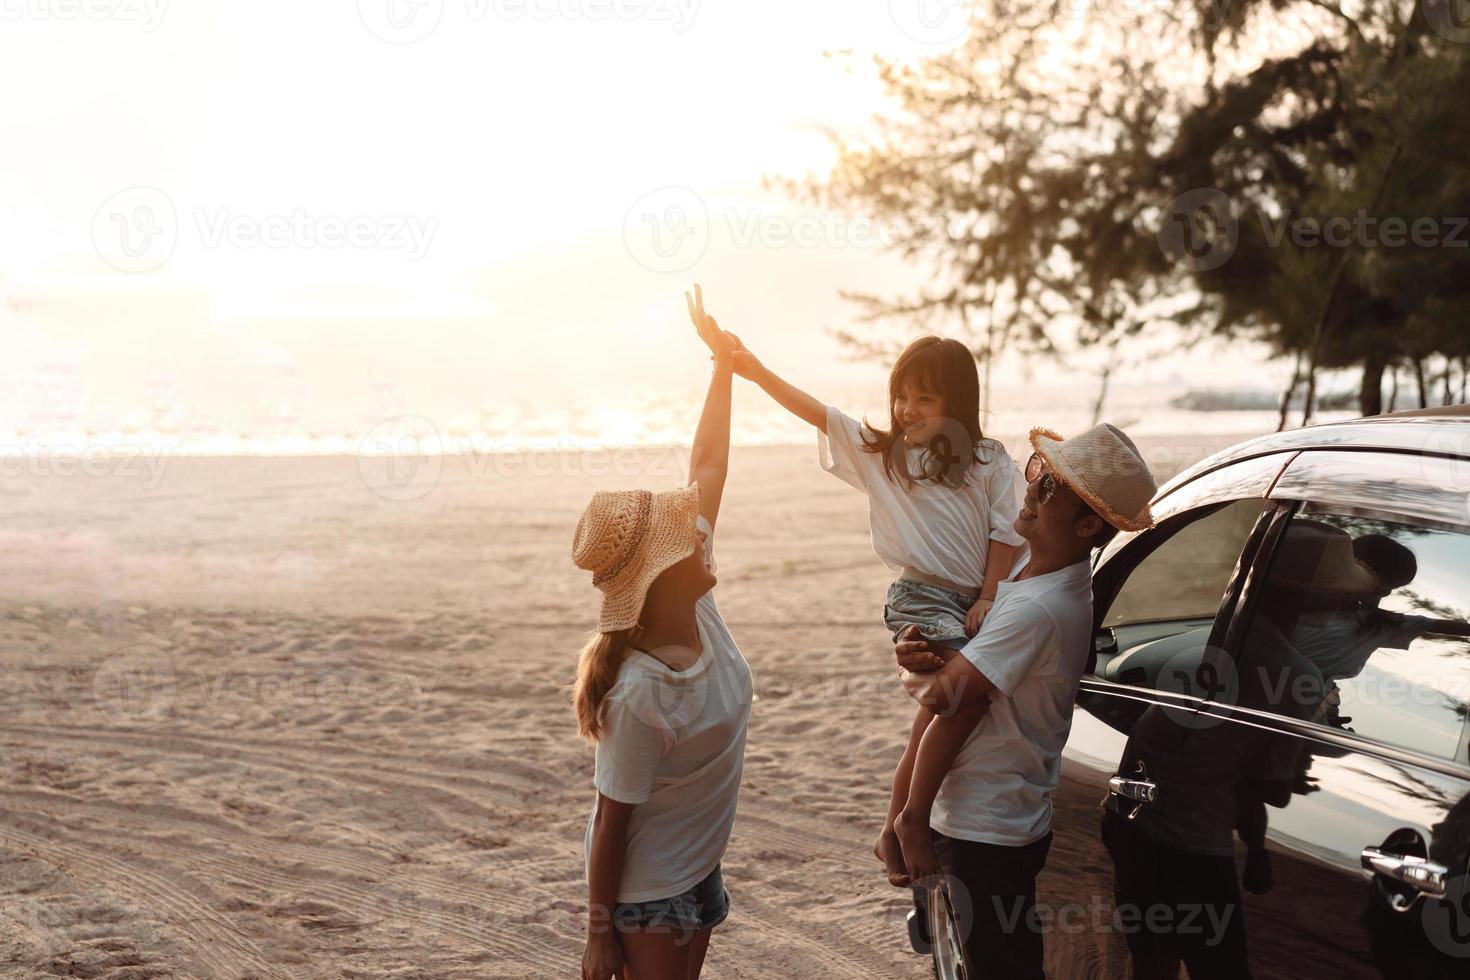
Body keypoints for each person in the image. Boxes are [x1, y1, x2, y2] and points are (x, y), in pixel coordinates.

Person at [725, 332, 1025, 884]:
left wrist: (987, 595)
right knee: (965, 697)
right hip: (920, 596)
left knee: (934, 715)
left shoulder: (987, 459)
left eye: (924, 399)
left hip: (976, 601)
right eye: (900, 396)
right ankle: (912, 821)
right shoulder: (884, 456)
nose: (906, 410)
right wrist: (756, 370)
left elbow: (1005, 530)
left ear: (956, 402)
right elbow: (820, 412)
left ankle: (891, 830)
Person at [894, 423, 1157, 979]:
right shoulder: (1036, 576)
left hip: (983, 831)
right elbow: (959, 700)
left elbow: (949, 699)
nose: (1031, 490)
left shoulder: (1034, 608)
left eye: (1049, 489)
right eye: (1039, 474)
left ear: (1087, 525)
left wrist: (911, 669)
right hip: (1001, 820)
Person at [575, 286, 752, 980]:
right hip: (647, 895)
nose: (703, 539)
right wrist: (597, 937)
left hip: (698, 867)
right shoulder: (639, 694)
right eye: (687, 538)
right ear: (663, 575)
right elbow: (609, 824)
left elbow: (707, 463)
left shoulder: (694, 601)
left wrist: (723, 364)